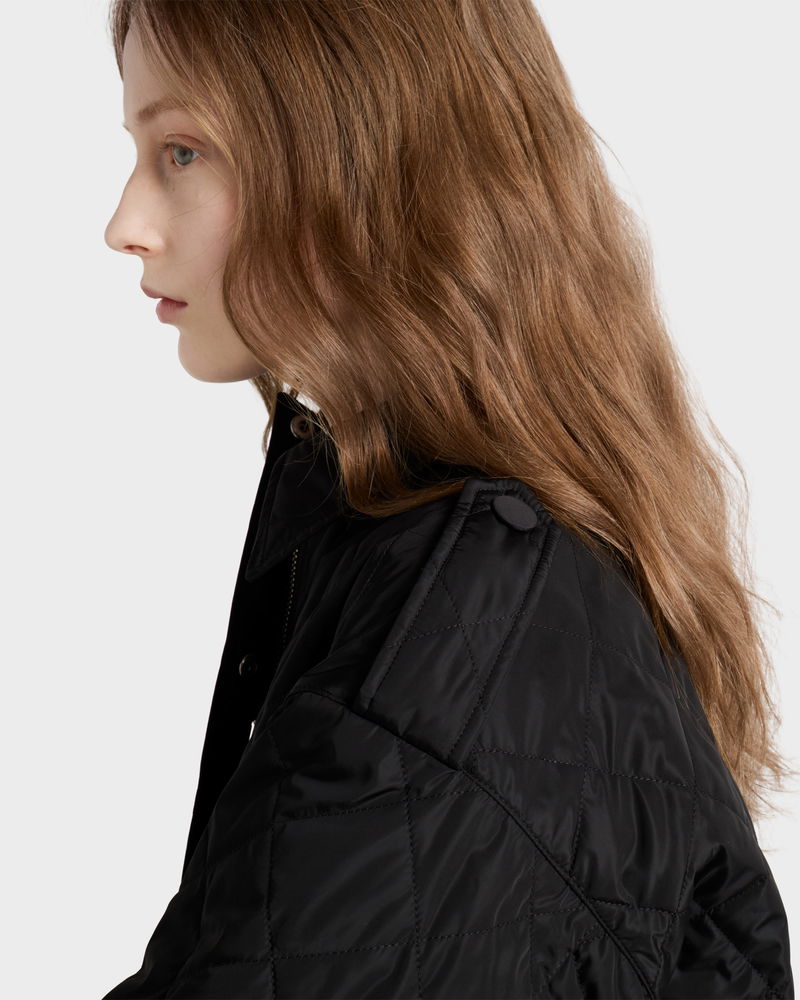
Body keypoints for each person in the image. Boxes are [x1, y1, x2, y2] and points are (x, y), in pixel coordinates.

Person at [101, 2, 794, 997]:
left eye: (181, 152)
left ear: (365, 166)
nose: (124, 226)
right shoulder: (447, 558)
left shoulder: (455, 637)